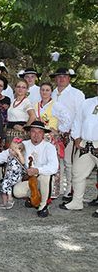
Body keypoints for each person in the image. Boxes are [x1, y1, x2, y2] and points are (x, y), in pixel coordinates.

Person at [0, 121, 59, 217]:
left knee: (46, 176)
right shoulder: (23, 144)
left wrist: (37, 170)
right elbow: (4, 156)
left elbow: (54, 167)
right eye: (33, 131)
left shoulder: (49, 147)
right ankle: (33, 198)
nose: (36, 135)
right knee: (16, 191)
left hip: (42, 178)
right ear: (29, 133)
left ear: (43, 134)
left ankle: (44, 205)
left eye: (39, 132)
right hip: (28, 178)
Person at [59, 70, 98, 218]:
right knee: (77, 173)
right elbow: (78, 121)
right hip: (85, 144)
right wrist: (76, 137)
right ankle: (77, 201)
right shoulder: (88, 103)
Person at [50, 67, 85, 200]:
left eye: (64, 76)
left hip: (69, 133)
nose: (61, 79)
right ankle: (56, 189)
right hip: (54, 134)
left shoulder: (77, 94)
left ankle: (70, 190)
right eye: (58, 76)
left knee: (69, 163)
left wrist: (76, 135)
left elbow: (80, 116)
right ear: (55, 79)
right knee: (57, 162)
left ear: (69, 78)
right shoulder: (52, 93)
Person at [35, 82, 70, 198]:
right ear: (40, 91)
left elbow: (67, 119)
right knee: (39, 162)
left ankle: (53, 191)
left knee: (52, 164)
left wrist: (58, 130)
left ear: (51, 92)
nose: (44, 92)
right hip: (38, 138)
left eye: (47, 90)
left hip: (50, 138)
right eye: (42, 90)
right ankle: (39, 190)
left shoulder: (56, 105)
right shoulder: (36, 105)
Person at [0, 138, 26, 209]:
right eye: (10, 148)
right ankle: (7, 201)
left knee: (4, 186)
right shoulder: (10, 156)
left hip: (15, 176)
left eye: (12, 150)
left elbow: (23, 162)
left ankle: (7, 201)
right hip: (8, 175)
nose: (10, 150)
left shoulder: (18, 157)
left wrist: (18, 153)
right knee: (7, 186)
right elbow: (8, 166)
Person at [5, 80, 37, 145]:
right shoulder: (13, 101)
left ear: (27, 90)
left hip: (19, 134)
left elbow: (33, 116)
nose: (20, 89)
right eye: (18, 87)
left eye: (23, 87)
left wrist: (25, 128)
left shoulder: (26, 102)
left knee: (18, 152)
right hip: (10, 132)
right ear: (15, 88)